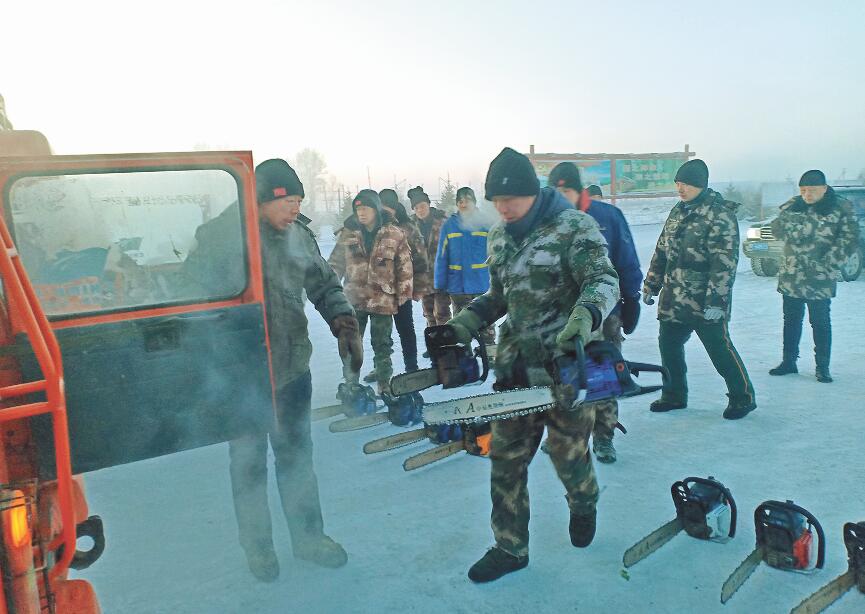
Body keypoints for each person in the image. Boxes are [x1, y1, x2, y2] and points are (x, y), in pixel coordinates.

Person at [444, 147, 619, 583]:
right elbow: (500, 294)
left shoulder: (573, 228)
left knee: (567, 455)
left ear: (531, 194)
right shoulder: (499, 236)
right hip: (516, 372)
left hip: (566, 370)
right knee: (505, 458)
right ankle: (510, 547)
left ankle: (584, 502)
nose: (502, 208)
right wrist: (469, 318)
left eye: (510, 200)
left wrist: (587, 315)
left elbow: (604, 279)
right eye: (496, 201)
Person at [225, 159, 362, 581]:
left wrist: (344, 322)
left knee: (297, 460)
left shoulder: (299, 237)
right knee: (248, 466)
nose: (295, 209)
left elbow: (323, 283)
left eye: (300, 200)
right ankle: (259, 548)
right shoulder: (222, 236)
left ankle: (308, 538)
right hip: (241, 378)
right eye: (289, 201)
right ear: (265, 199)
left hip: (290, 371)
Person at [642, 159, 756, 419]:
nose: (681, 189)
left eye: (687, 184)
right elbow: (662, 251)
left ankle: (743, 397)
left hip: (704, 301)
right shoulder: (678, 211)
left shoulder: (719, 214)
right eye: (678, 184)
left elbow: (724, 263)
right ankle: (674, 395)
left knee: (719, 349)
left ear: (701, 185)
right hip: (674, 298)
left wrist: (717, 301)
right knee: (669, 347)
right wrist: (651, 284)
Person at [547, 162, 643, 463]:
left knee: (603, 376)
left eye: (568, 190)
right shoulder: (548, 222)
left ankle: (604, 436)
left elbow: (626, 261)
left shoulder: (607, 216)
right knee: (564, 376)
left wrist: (631, 298)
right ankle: (567, 435)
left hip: (605, 312)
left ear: (579, 191)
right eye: (557, 191)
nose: (563, 197)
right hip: (562, 316)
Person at [768, 170, 860, 383]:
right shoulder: (794, 205)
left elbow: (849, 239)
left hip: (819, 276)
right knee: (791, 320)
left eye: (812, 190)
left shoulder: (838, 208)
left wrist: (829, 261)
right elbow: (776, 229)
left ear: (824, 189)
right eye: (803, 190)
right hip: (792, 274)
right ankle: (789, 362)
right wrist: (790, 222)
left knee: (820, 322)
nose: (807, 194)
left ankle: (822, 367)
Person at [328, 190, 413, 394]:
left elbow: (405, 266)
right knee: (350, 344)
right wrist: (331, 292)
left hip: (382, 299)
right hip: (353, 298)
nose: (361, 213)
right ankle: (351, 383)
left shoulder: (394, 233)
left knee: (382, 345)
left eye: (365, 208)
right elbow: (334, 264)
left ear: (375, 209)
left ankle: (385, 385)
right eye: (358, 209)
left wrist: (403, 296)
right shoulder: (348, 234)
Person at [371, 188, 428, 375]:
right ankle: (380, 368)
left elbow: (420, 259)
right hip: (380, 290)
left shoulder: (408, 227)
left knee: (405, 328)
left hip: (402, 288)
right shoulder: (375, 227)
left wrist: (418, 286)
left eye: (387, 208)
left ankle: (411, 366)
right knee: (380, 333)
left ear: (394, 207)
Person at [434, 186, 496, 346]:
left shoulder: (485, 223)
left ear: (474, 202)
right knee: (460, 327)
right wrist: (440, 284)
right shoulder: (449, 225)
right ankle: (464, 358)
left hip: (481, 284)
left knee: (486, 325)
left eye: (467, 200)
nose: (463, 204)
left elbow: (495, 252)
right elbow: (442, 256)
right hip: (458, 286)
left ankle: (489, 356)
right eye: (460, 201)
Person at [408, 186, 451, 329]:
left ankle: (446, 345)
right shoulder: (411, 226)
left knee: (442, 313)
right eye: (416, 208)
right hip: (423, 278)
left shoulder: (443, 222)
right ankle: (434, 346)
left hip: (441, 275)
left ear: (428, 204)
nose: (420, 210)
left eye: (422, 206)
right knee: (428, 314)